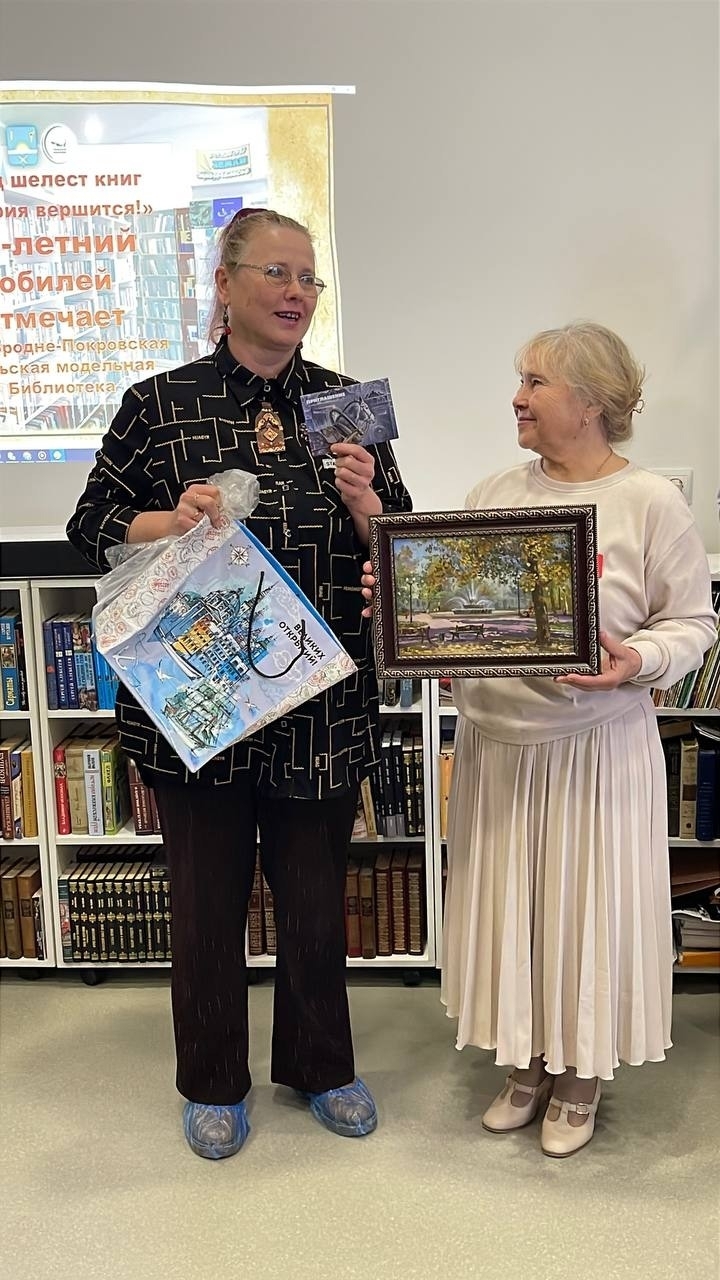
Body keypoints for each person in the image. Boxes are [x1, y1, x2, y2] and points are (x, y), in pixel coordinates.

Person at [67, 208, 411, 1160]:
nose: (297, 292)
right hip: (198, 702)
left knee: (314, 902)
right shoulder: (156, 403)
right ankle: (213, 1082)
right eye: (276, 273)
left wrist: (369, 504)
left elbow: (400, 545)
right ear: (224, 283)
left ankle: (321, 1065)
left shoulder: (346, 405)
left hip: (320, 700)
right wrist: (167, 522)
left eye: (309, 278)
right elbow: (90, 526)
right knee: (206, 906)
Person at [362, 321, 715, 1157]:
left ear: (591, 402)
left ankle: (581, 1075)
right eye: (521, 380)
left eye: (535, 382)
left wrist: (637, 660)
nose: (516, 398)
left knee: (585, 915)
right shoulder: (494, 492)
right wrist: (413, 623)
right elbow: (463, 611)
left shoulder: (650, 501)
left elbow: (693, 623)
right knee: (511, 912)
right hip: (497, 746)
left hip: (594, 748)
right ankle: (524, 1065)